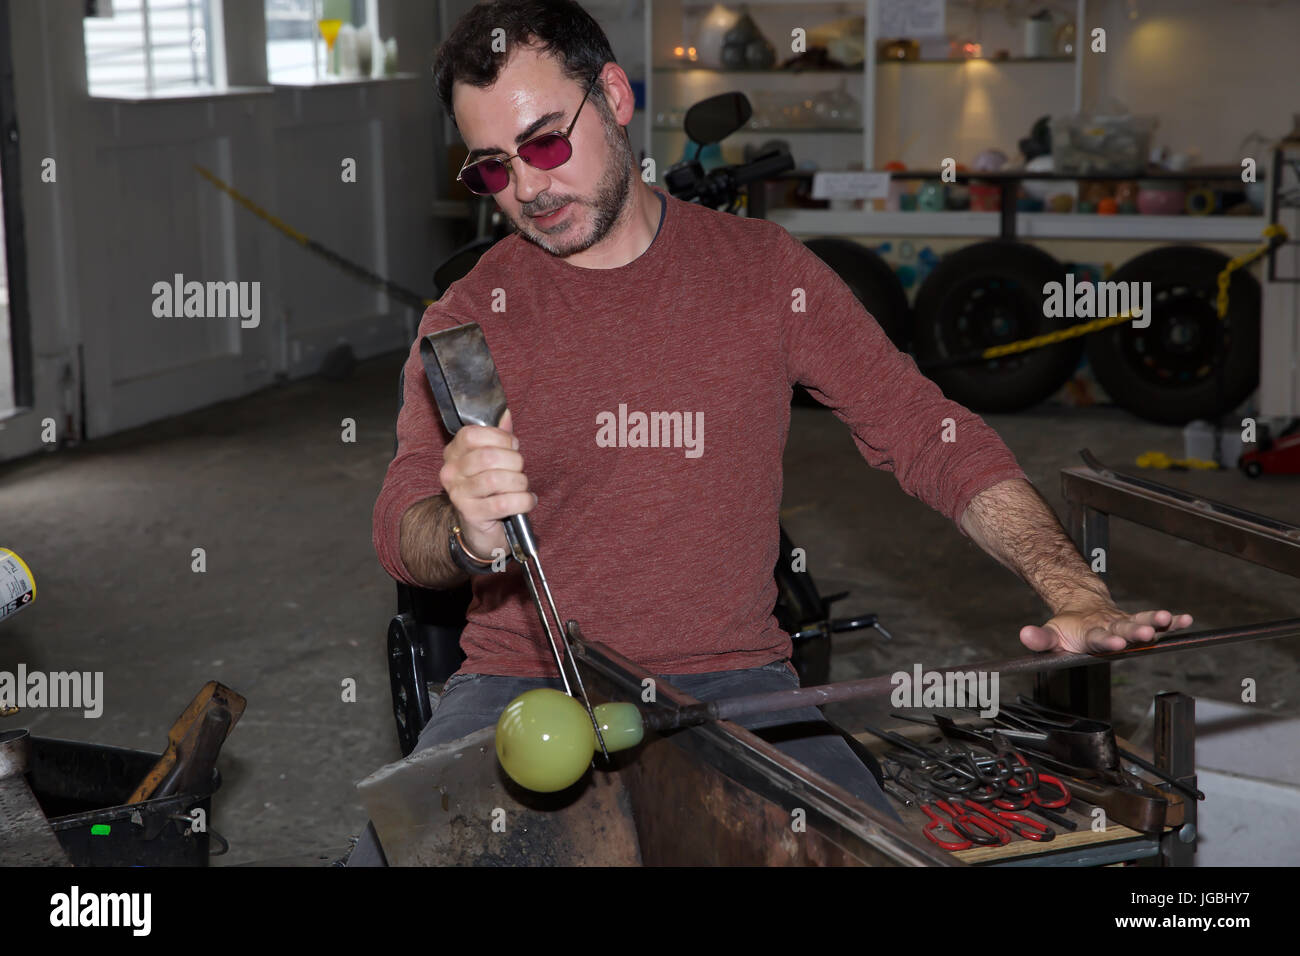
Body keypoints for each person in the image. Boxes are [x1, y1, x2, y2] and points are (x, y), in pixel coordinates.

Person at [349, 0, 1193, 866]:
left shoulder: (763, 274)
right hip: (519, 688)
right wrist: (461, 530)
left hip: (731, 682)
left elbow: (925, 431)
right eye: (492, 169)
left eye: (545, 145)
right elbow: (399, 526)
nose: (527, 189)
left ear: (613, 95)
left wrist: (1072, 588)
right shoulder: (467, 322)